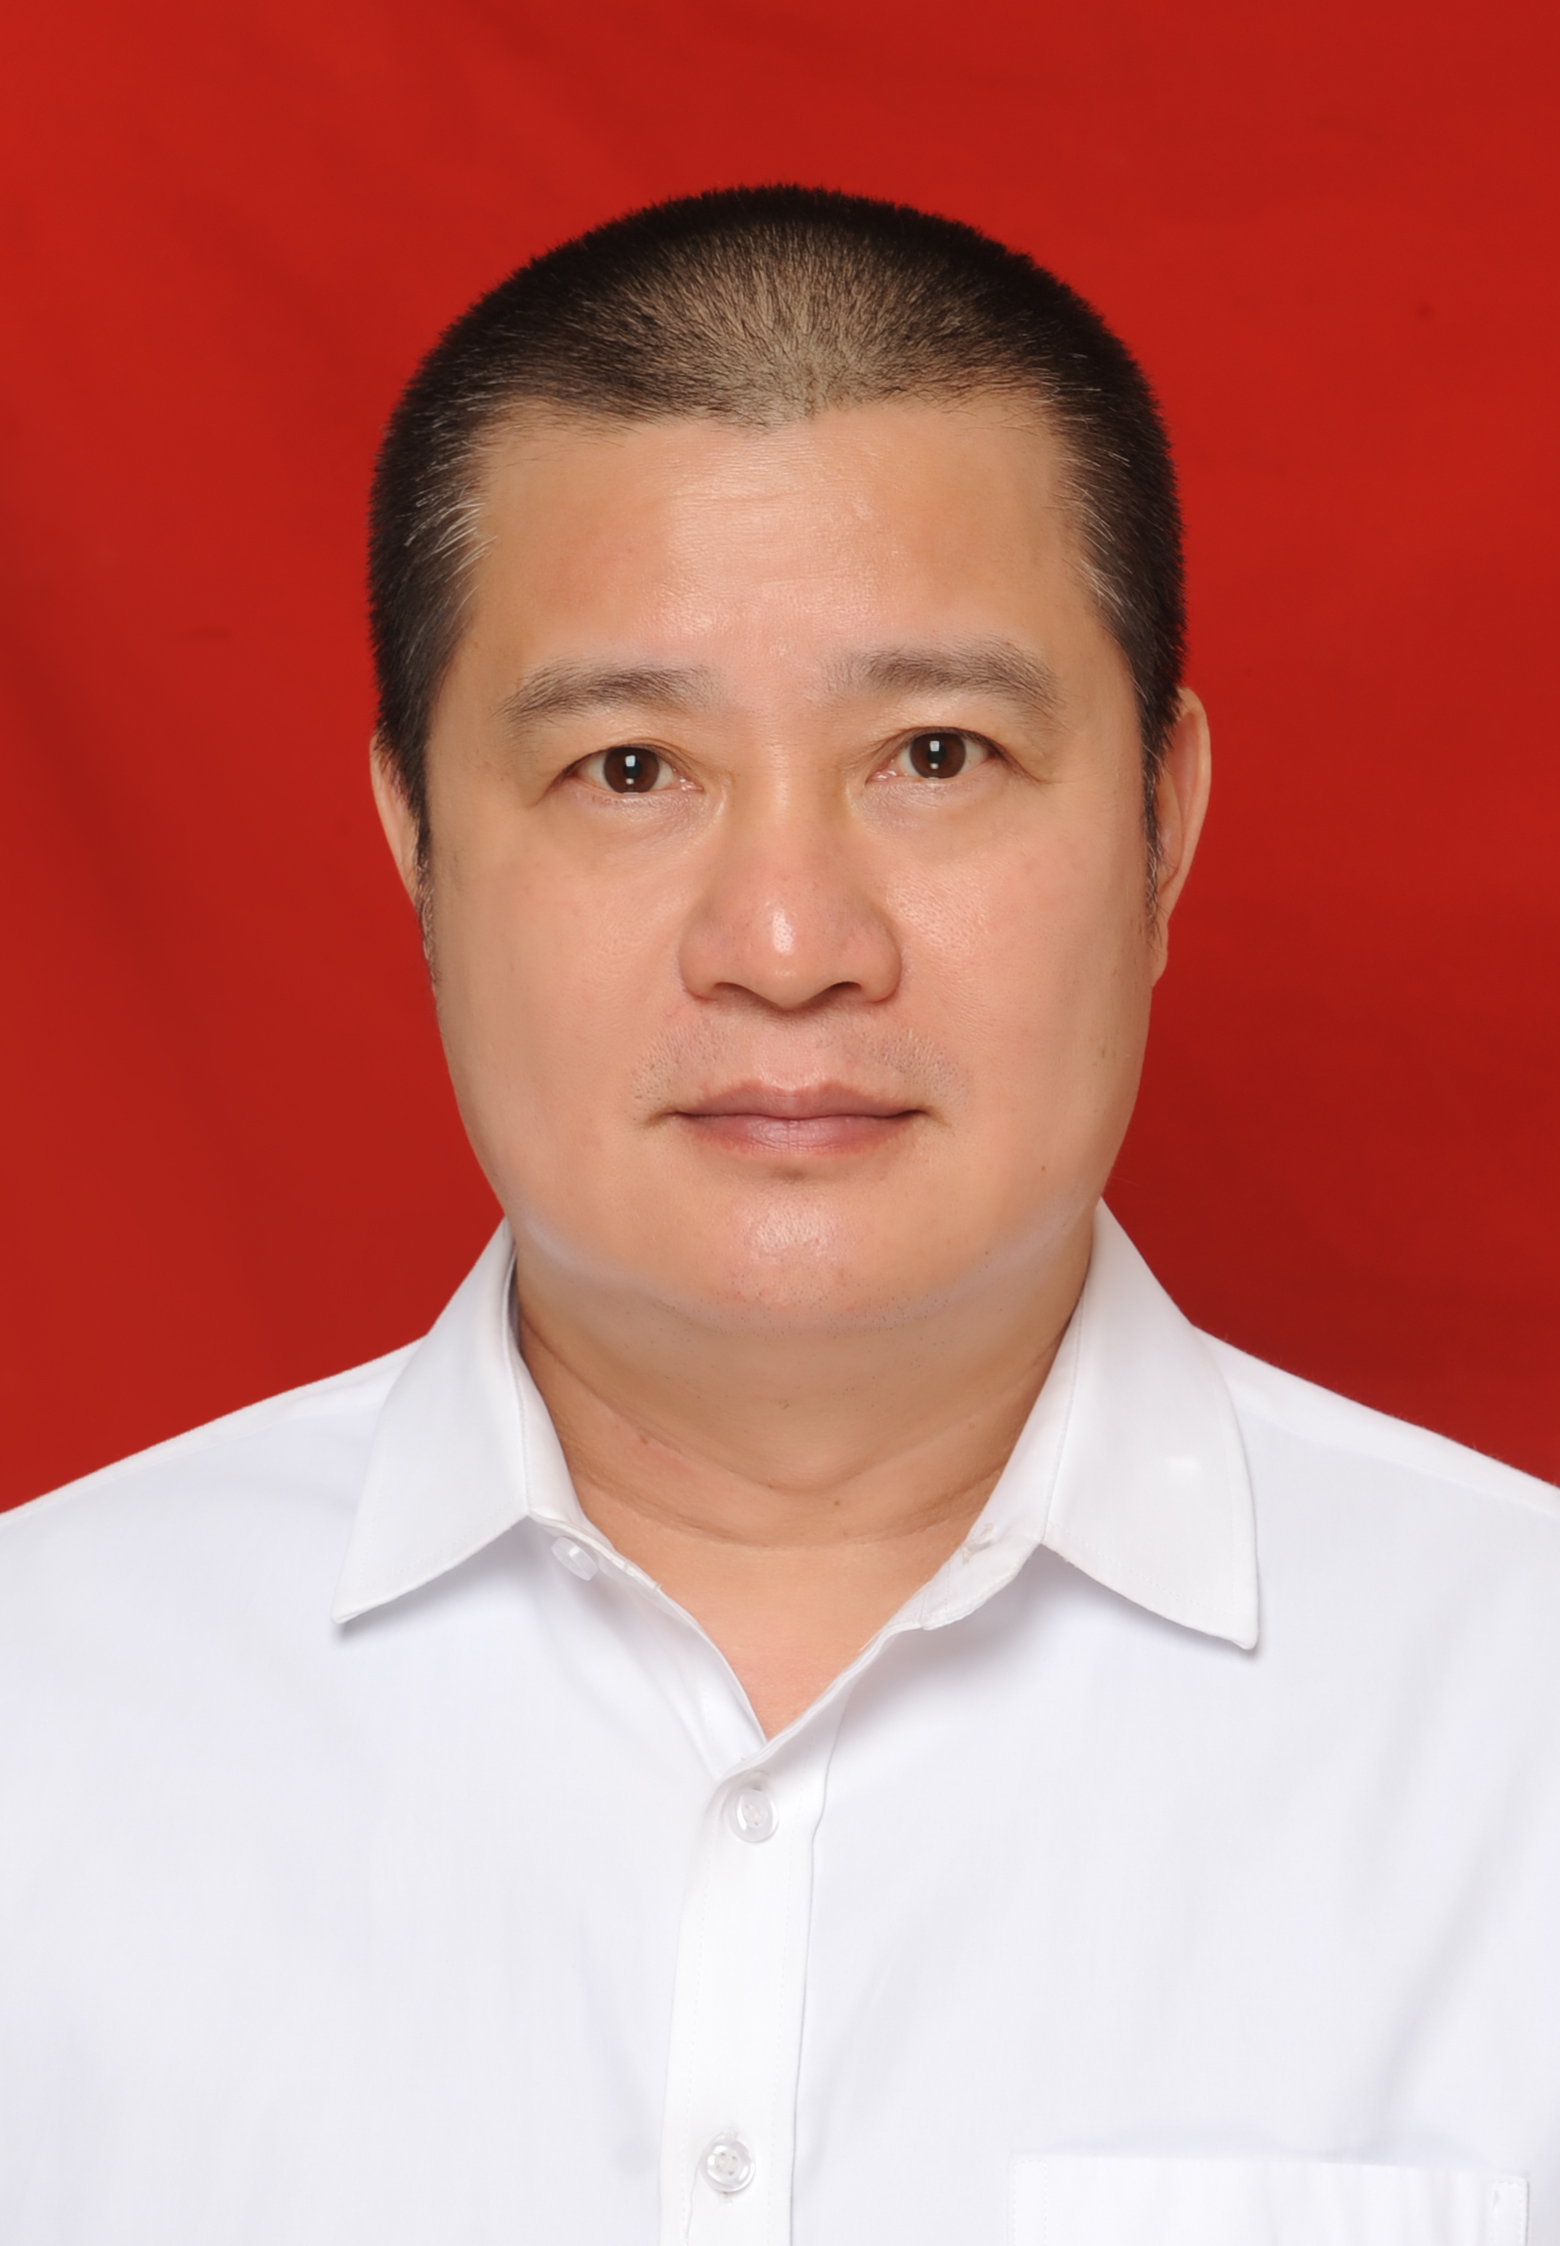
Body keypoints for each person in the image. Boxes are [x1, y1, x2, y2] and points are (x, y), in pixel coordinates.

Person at [1, 186, 1555, 2246]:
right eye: (631, 768)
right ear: (416, 842)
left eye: (937, 752)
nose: (791, 941)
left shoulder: (1516, 1729)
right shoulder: (44, 1719)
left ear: (1163, 823)